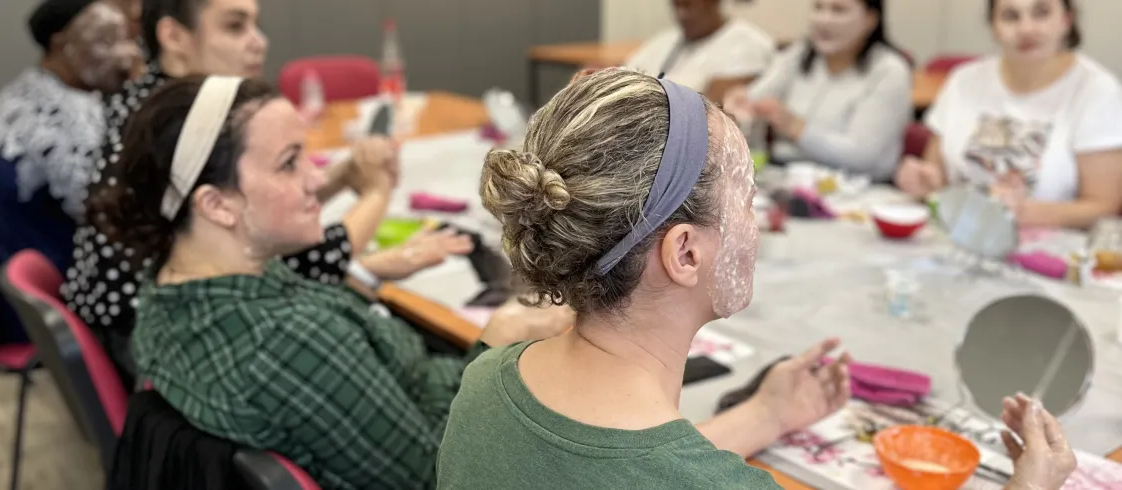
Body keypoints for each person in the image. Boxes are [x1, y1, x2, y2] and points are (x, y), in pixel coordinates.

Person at [435, 68, 1078, 490]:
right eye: (746, 196)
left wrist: (765, 414)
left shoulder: (487, 382)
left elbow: (621, 466)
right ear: (685, 253)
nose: (758, 222)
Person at [92, 75, 575, 489]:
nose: (313, 179)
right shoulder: (286, 345)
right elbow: (436, 470)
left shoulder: (173, 285)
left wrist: (362, 277)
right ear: (217, 205)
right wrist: (496, 342)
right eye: (289, 163)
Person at [62, 0, 408, 385]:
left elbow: (256, 208)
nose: (259, 42)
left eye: (256, 25)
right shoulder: (175, 123)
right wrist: (376, 191)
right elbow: (278, 256)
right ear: (173, 36)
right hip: (144, 339)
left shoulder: (159, 101)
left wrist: (345, 175)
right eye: (234, 27)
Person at [0, 0, 137, 344]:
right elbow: (115, 221)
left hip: (0, 284)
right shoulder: (71, 122)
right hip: (33, 311)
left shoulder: (23, 88)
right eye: (107, 40)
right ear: (61, 42)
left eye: (128, 40)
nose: (126, 56)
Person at [895, 0, 1122, 229]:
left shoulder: (1096, 91)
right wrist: (925, 183)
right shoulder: (963, 80)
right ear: (993, 27)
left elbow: (1105, 207)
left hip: (1045, 243)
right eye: (1010, 16)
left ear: (1066, 20)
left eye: (1041, 13)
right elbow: (937, 176)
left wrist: (1024, 212)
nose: (1026, 29)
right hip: (956, 234)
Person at [722, 0, 911, 180]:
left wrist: (795, 127)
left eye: (839, 10)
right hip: (785, 175)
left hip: (860, 186)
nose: (823, 20)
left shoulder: (889, 71)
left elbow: (864, 155)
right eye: (818, 7)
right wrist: (741, 103)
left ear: (870, 19)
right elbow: (754, 97)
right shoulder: (801, 53)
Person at [624, 0, 775, 102]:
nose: (682, 15)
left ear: (713, 2)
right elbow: (623, 81)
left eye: (687, 5)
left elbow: (714, 110)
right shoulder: (663, 42)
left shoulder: (749, 45)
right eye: (677, 5)